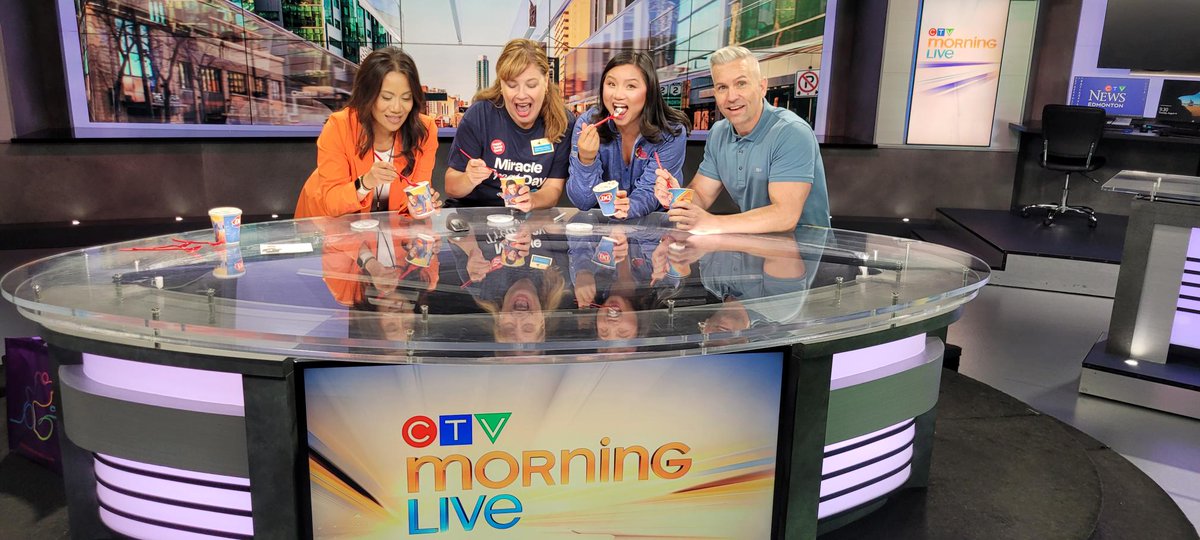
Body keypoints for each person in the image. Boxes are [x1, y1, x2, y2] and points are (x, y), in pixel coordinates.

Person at [654, 46, 830, 234]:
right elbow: (702, 194)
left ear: (762, 87)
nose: (731, 97)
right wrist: (677, 197)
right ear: (715, 94)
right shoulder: (719, 133)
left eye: (741, 84)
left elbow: (784, 216)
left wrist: (713, 223)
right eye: (722, 87)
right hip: (753, 246)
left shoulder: (791, 132)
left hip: (807, 252)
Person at [295, 47, 440, 219]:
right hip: (326, 226)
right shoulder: (339, 126)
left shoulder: (424, 130)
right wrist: (366, 183)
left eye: (406, 98)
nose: (396, 108)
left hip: (385, 232)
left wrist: (415, 207)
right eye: (386, 97)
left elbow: (416, 191)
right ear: (368, 95)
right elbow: (331, 202)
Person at [444, 39, 574, 211]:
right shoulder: (479, 115)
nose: (521, 95)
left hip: (527, 219)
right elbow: (451, 187)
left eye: (531, 85)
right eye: (512, 85)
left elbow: (553, 189)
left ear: (546, 82)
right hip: (474, 215)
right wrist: (469, 178)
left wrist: (532, 200)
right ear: (501, 86)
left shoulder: (563, 121)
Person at [566, 51, 689, 220]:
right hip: (601, 234)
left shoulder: (671, 133)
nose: (618, 95)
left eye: (631, 86)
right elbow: (583, 201)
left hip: (654, 233)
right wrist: (586, 160)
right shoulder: (588, 123)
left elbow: (650, 193)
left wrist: (626, 208)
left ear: (650, 92)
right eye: (611, 84)